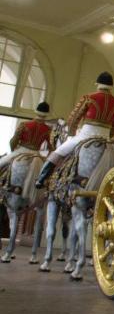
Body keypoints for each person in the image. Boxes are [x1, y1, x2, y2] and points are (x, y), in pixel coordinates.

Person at [35, 72, 114, 188]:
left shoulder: (89, 98)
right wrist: (107, 137)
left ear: (97, 84)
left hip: (85, 135)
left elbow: (73, 119)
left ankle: (41, 179)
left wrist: (71, 135)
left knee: (58, 152)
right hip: (105, 138)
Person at [1, 102, 53, 262]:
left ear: (35, 111)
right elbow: (50, 146)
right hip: (37, 157)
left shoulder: (24, 125)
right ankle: (34, 254)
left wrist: (15, 151)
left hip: (22, 151)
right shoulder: (47, 129)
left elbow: (12, 142)